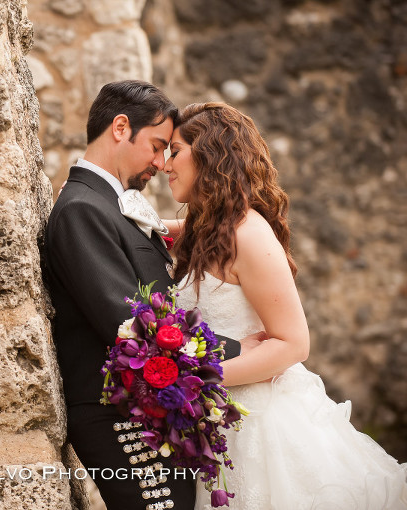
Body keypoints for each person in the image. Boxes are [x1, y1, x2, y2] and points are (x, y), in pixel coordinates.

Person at [163, 102, 407, 509]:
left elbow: (294, 344)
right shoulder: (207, 230)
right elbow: (157, 230)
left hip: (265, 428)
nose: (165, 164)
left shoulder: (248, 234)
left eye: (175, 150)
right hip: (224, 426)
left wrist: (194, 381)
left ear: (209, 153)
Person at [44, 81, 257, 510]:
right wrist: (238, 349)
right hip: (117, 420)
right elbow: (131, 327)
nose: (161, 163)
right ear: (121, 128)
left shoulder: (110, 205)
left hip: (149, 413)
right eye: (157, 146)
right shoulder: (83, 208)